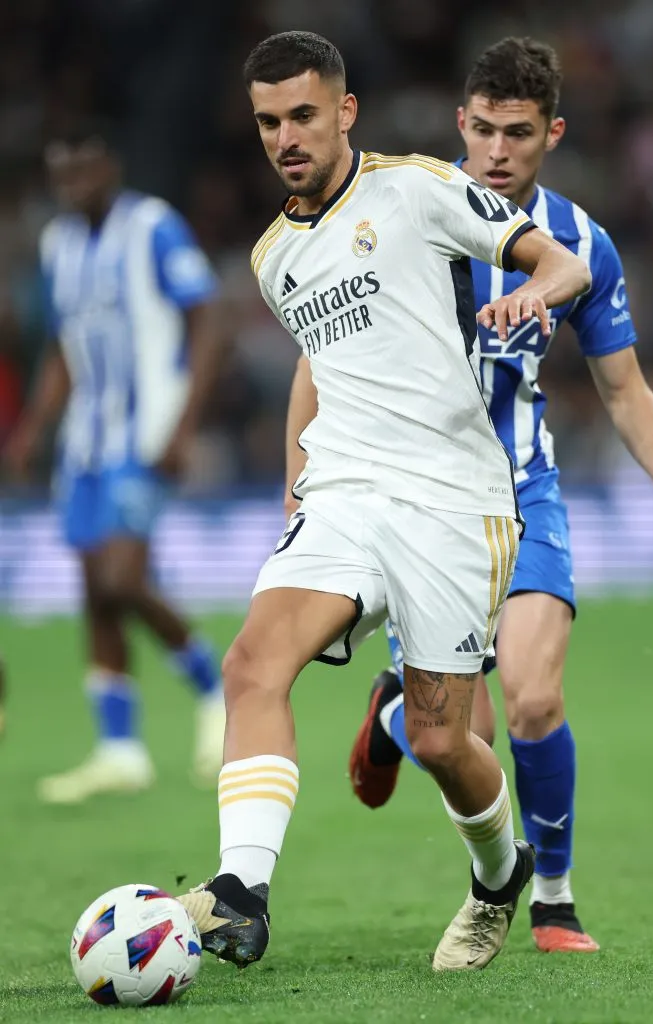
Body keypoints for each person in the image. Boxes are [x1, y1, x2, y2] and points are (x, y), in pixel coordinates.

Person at [176, 31, 591, 973]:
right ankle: (241, 891)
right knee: (251, 664)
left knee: (446, 738)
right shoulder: (273, 257)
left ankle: (498, 876)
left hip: (453, 498)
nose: (286, 136)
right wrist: (296, 485)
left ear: (345, 112)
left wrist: (535, 292)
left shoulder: (414, 187)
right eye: (268, 122)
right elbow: (325, 371)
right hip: (345, 493)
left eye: (303, 116)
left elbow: (558, 262)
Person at [341, 37, 653, 954]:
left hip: (524, 491)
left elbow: (622, 386)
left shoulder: (580, 241)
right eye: (482, 129)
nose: (498, 150)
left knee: (532, 703)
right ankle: (396, 715)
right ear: (459, 125)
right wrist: (300, 481)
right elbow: (327, 363)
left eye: (518, 132)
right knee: (454, 740)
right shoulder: (399, 221)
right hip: (420, 505)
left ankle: (550, 897)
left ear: (551, 133)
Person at [3, 122, 226, 803]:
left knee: (124, 579)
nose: (74, 186)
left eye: (84, 170)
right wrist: (35, 427)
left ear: (110, 166)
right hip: (85, 444)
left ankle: (217, 692)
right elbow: (68, 348)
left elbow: (208, 321)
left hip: (145, 432)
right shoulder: (59, 244)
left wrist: (183, 424)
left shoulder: (153, 227)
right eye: (62, 175)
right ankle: (119, 749)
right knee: (95, 593)